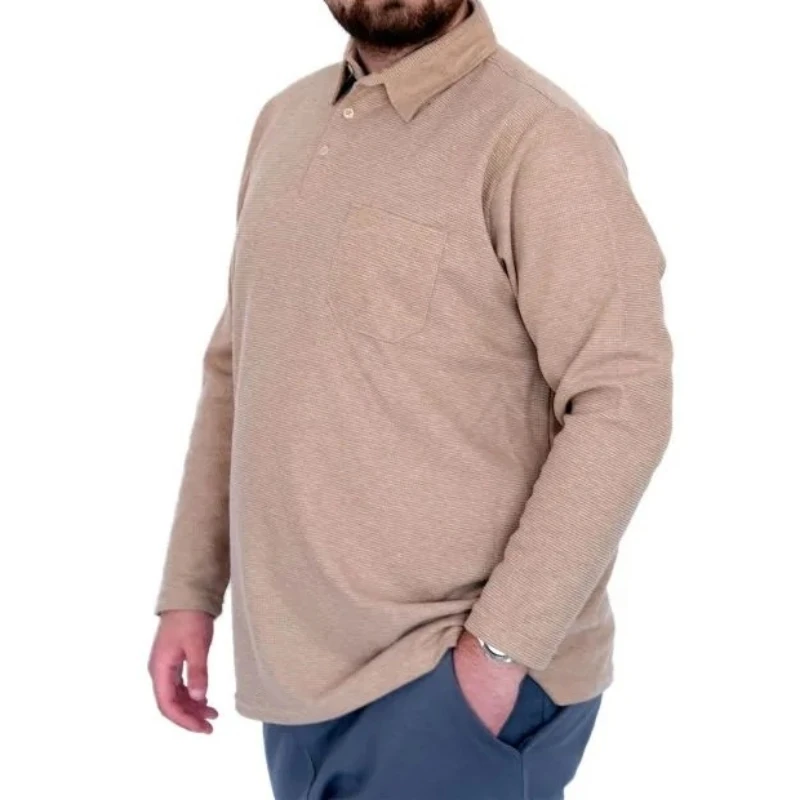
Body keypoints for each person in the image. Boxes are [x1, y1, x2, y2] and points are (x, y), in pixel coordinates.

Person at [148, 1, 673, 797]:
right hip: (292, 682)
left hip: (448, 679)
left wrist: (496, 654)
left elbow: (624, 402)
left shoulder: (541, 138)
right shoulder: (284, 120)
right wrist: (191, 592)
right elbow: (235, 366)